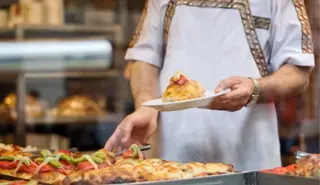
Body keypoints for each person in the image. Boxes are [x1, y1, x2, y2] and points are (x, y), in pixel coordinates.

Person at [105, 0, 315, 171]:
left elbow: (298, 71)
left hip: (250, 152)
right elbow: (144, 58)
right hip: (172, 155)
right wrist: (146, 105)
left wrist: (255, 88)